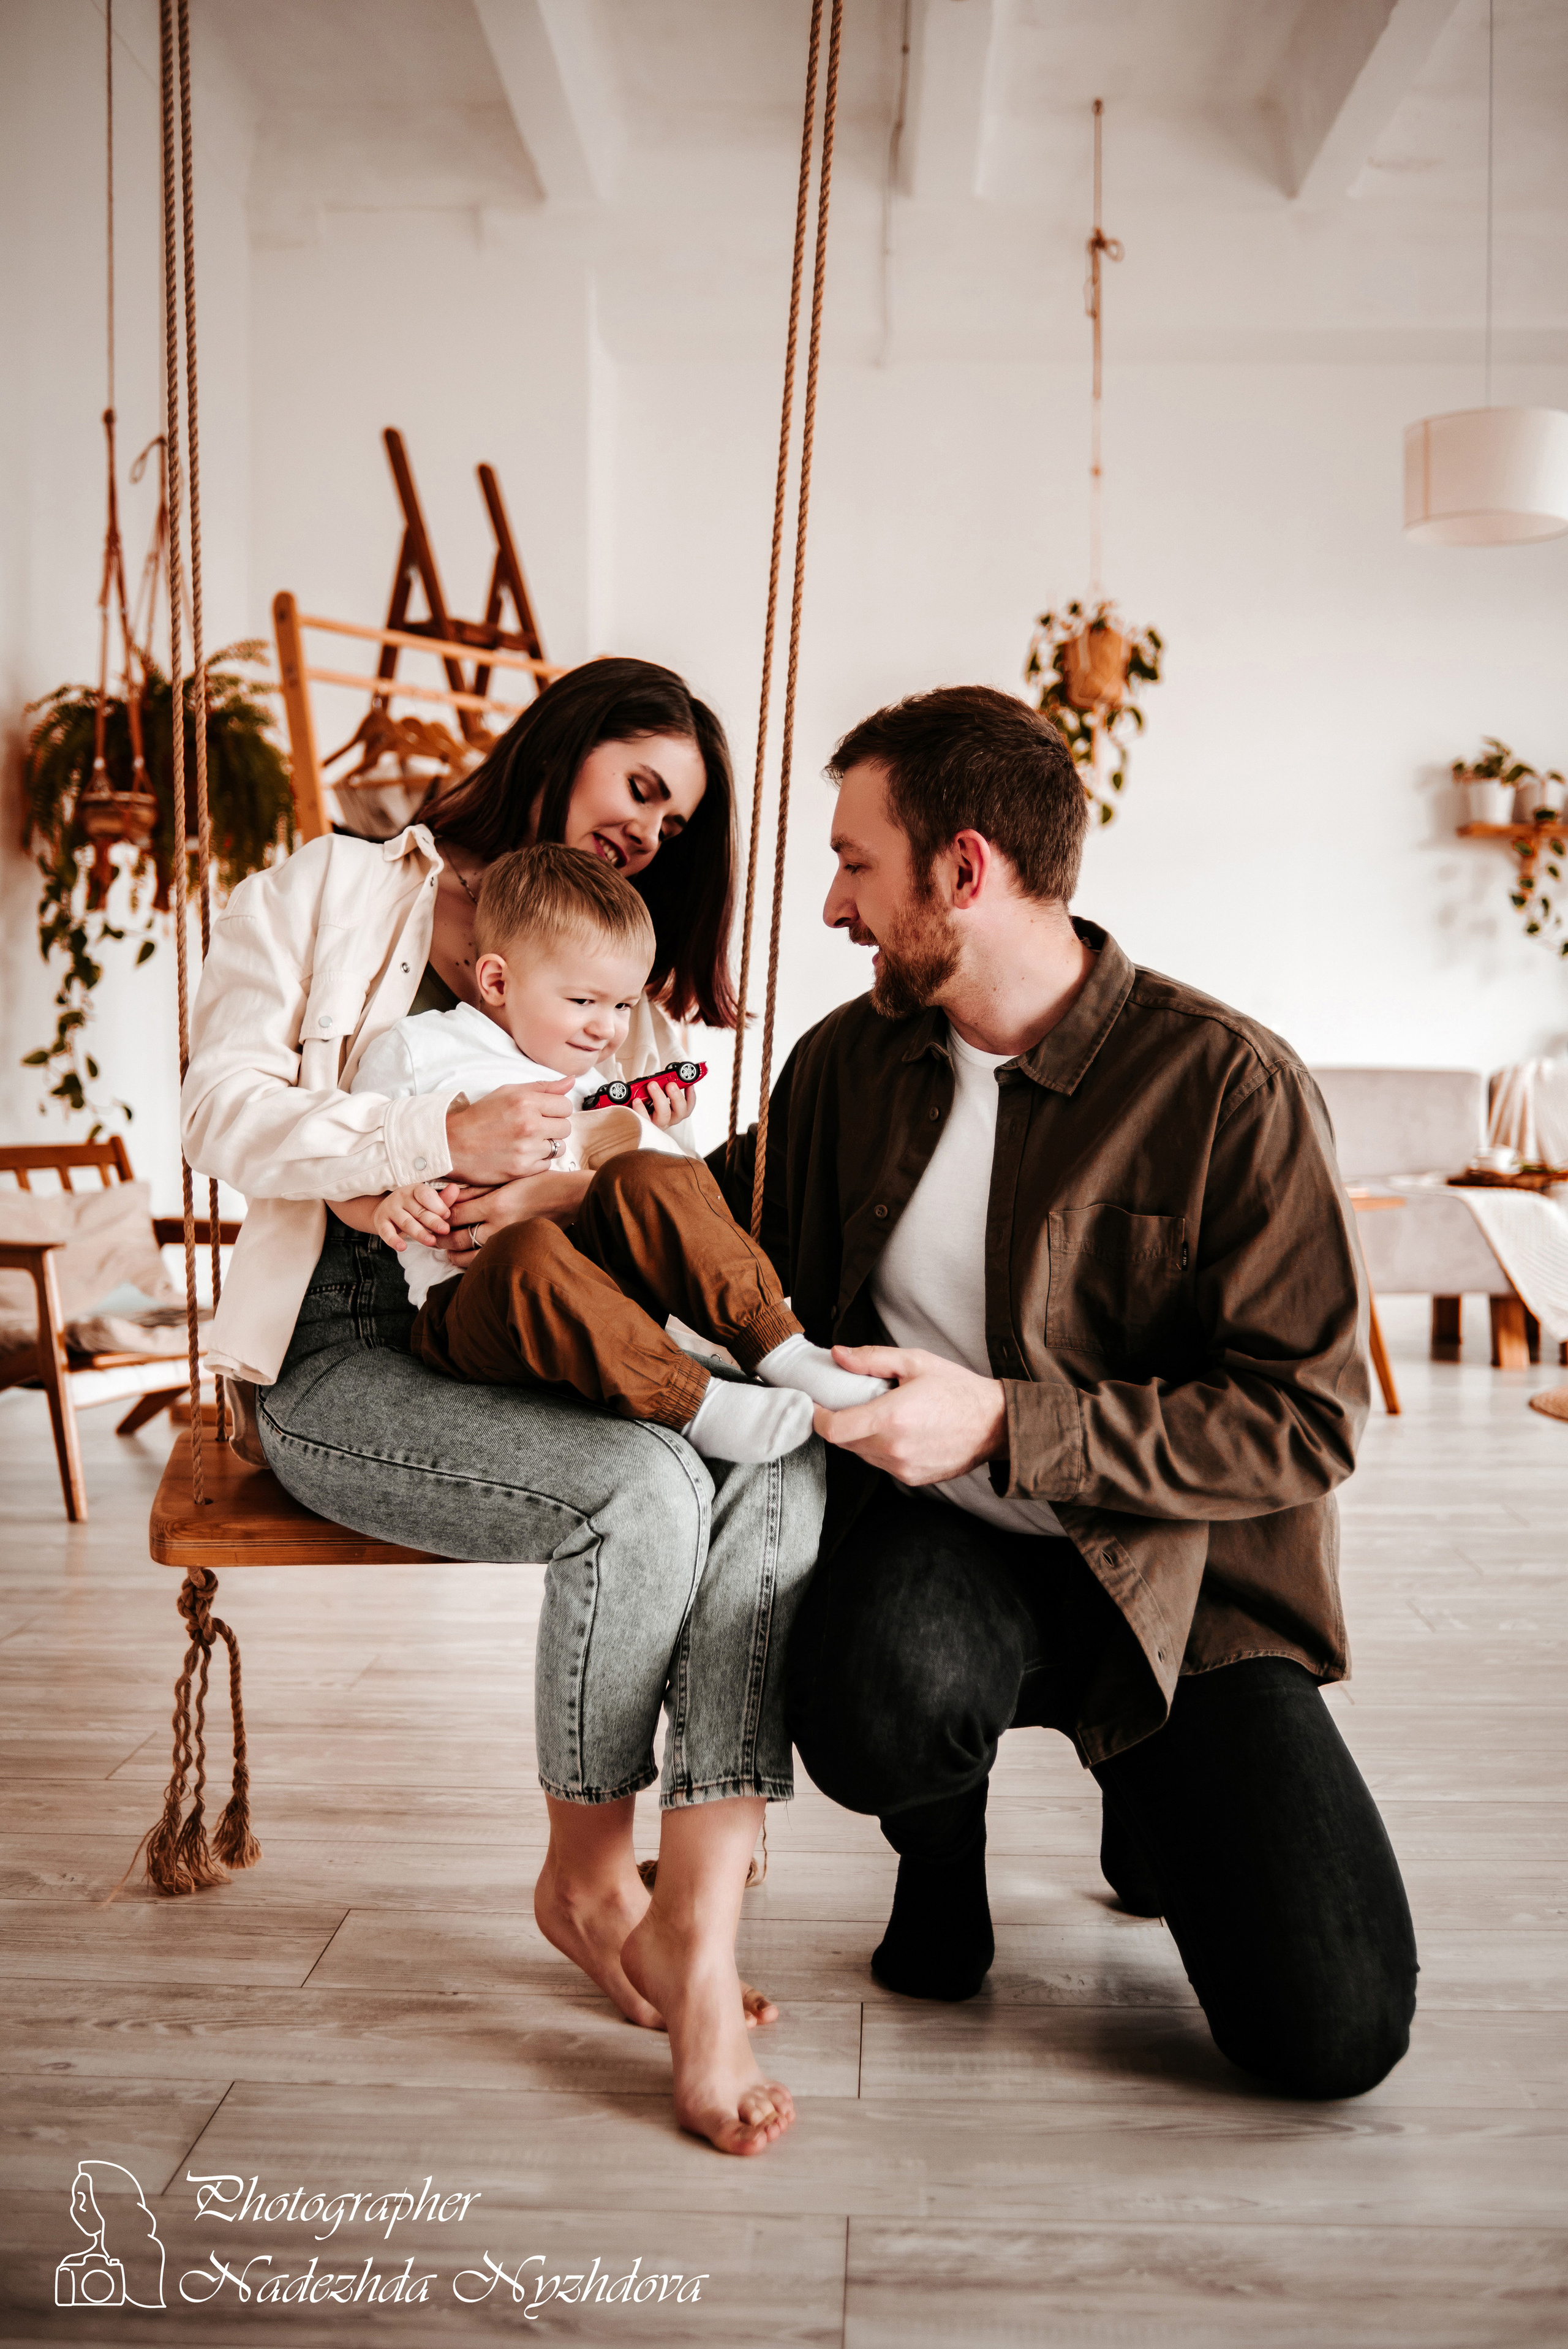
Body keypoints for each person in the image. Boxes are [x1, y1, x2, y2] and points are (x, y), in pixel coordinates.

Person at [710, 684, 1418, 2102]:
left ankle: (1143, 1781)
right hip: (940, 1539)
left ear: (962, 871)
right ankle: (940, 1850)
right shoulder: (844, 1063)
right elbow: (717, 1231)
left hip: (1178, 1582)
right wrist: (537, 1165)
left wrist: (999, 1420)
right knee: (871, 1701)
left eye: (853, 864)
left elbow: (1307, 1421)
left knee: (1327, 2037)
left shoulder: (1227, 1084)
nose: (834, 908)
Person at [183, 658, 824, 2156]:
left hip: (539, 1312)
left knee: (778, 1474)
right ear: (565, 744)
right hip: (347, 1343)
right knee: (645, 1488)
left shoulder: (608, 952)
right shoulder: (339, 887)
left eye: (679, 821)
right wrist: (429, 1129)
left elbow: (620, 1165)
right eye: (642, 788)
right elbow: (217, 1111)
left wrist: (546, 1178)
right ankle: (593, 1883)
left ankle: (701, 1925)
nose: (655, 830)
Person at [337, 841, 886, 1459]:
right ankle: (695, 1404)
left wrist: (647, 1131)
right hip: (473, 1305)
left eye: (623, 1005)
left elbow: (660, 1201)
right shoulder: (419, 1050)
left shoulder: (600, 1084)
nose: (609, 1028)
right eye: (583, 1002)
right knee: (530, 1249)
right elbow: (350, 1172)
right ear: (496, 980)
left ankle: (780, 1346)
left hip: (614, 1293)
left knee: (653, 1171)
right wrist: (386, 1207)